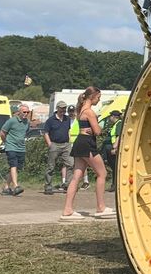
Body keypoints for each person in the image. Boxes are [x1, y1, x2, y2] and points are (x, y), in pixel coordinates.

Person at [60, 87, 115, 221]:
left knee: (76, 177)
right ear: (93, 96)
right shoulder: (89, 112)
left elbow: (88, 129)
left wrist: (90, 128)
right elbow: (97, 131)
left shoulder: (80, 110)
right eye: (98, 97)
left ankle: (67, 209)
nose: (99, 99)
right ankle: (101, 207)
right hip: (87, 143)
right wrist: (98, 127)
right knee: (102, 173)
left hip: (80, 142)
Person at [0, 105, 31, 196]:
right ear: (19, 112)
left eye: (28, 112)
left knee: (17, 168)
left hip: (21, 148)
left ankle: (6, 186)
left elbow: (25, 133)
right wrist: (6, 142)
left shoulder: (27, 122)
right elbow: (2, 133)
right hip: (11, 147)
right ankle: (16, 186)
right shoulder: (11, 121)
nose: (26, 114)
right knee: (13, 165)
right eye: (24, 112)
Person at [43, 100, 73, 194]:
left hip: (66, 144)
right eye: (61, 108)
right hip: (54, 144)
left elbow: (68, 130)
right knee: (51, 166)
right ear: (57, 108)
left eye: (64, 108)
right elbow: (46, 132)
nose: (63, 110)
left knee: (71, 164)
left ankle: (68, 185)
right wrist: (50, 144)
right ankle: (48, 185)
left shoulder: (67, 119)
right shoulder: (50, 120)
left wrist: (70, 141)